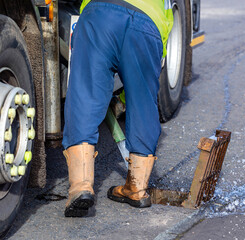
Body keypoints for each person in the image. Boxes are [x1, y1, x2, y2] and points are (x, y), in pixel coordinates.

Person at [62, 0, 173, 217]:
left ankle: (81, 187)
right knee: (143, 104)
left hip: (101, 15)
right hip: (147, 26)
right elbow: (163, 36)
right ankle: (137, 189)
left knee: (85, 95)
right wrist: (122, 98)